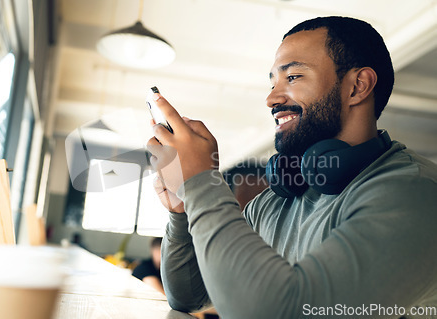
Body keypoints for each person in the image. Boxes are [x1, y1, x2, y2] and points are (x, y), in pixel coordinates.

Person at [146, 16, 437, 318]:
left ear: (357, 86)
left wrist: (202, 181)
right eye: (273, 82)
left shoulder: (414, 194)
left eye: (293, 77)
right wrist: (182, 211)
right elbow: (190, 297)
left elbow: (280, 311)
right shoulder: (275, 201)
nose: (272, 98)